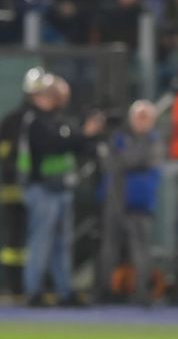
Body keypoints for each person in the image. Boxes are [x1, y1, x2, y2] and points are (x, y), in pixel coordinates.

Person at [18, 74, 104, 306]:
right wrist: (83, 134)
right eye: (47, 94)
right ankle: (33, 292)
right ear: (37, 96)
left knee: (62, 245)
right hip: (41, 189)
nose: (52, 98)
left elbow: (77, 144)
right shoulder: (34, 120)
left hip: (60, 188)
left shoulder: (57, 119)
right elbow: (52, 144)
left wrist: (86, 135)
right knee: (40, 242)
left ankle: (64, 291)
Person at [97, 100, 163, 305]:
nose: (142, 122)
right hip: (115, 201)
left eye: (146, 117)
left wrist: (121, 160)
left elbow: (137, 159)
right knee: (109, 248)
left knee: (141, 249)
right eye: (139, 116)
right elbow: (108, 162)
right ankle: (104, 292)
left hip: (140, 203)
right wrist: (123, 161)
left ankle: (143, 293)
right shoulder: (119, 138)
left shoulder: (153, 140)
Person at [0, 67, 46, 297]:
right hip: (21, 187)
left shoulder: (15, 119)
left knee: (20, 238)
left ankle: (19, 285)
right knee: (16, 239)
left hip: (29, 187)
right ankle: (16, 284)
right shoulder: (19, 121)